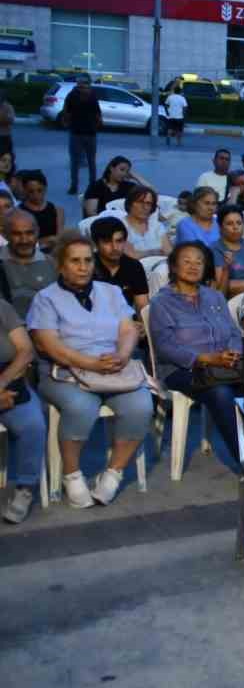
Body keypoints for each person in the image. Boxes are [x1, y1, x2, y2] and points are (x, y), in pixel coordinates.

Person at [28, 235, 153, 507]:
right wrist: (91, 364)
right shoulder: (45, 299)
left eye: (87, 260)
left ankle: (113, 472)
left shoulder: (109, 291)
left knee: (141, 405)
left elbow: (128, 328)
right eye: (75, 261)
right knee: (81, 406)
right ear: (61, 265)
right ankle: (71, 475)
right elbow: (51, 347)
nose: (83, 267)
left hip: (111, 366)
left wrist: (122, 354)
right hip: (63, 371)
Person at [148, 241, 243, 463]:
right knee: (220, 393)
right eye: (186, 261)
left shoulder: (215, 297)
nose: (193, 266)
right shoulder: (162, 303)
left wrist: (233, 353)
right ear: (173, 267)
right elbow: (165, 347)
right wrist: (204, 358)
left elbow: (233, 332)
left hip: (224, 363)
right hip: (182, 369)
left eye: (199, 261)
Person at [0, 291, 44, 524]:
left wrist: (2, 383)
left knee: (33, 424)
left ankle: (26, 487)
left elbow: (26, 350)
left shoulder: (2, 308)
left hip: (9, 382)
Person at [1, 211, 56, 317]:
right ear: (5, 234)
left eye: (30, 233)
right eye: (17, 234)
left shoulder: (52, 264)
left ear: (38, 232)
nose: (24, 240)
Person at [89, 217, 149, 313]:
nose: (114, 247)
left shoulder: (134, 267)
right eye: (107, 242)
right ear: (96, 244)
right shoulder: (85, 266)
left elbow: (142, 306)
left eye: (119, 241)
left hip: (126, 322)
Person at [210, 206, 244, 296]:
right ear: (220, 227)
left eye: (239, 223)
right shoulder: (215, 249)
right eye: (229, 224)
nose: (235, 227)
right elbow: (221, 288)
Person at [63, 77, 102, 195]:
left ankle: (90, 185)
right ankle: (75, 185)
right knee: (77, 161)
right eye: (82, 85)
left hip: (88, 133)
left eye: (85, 85)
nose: (84, 87)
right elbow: (66, 112)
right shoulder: (72, 96)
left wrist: (97, 124)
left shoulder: (92, 96)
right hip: (78, 132)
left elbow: (97, 113)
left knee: (89, 161)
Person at [118, 186, 169, 259]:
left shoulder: (157, 226)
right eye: (140, 202)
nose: (144, 207)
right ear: (130, 203)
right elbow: (131, 255)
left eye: (148, 203)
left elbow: (169, 252)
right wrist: (153, 252)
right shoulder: (120, 226)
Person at [17, 172, 61, 250]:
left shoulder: (57, 210)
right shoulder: (19, 212)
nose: (36, 195)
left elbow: (59, 238)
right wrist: (48, 240)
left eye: (39, 190)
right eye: (31, 191)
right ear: (25, 190)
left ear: (45, 188)